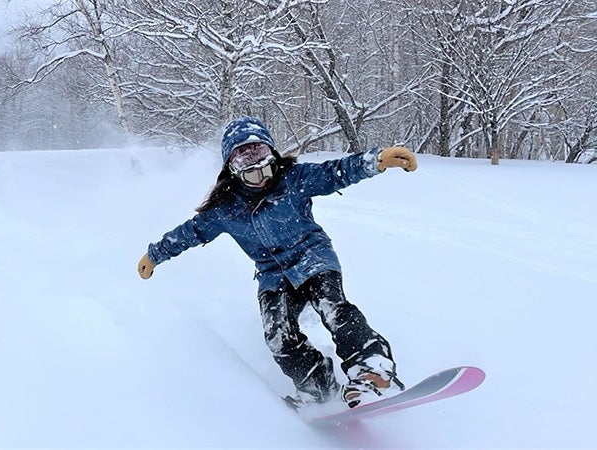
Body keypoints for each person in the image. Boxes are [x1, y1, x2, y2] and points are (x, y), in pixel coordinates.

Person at [136, 116, 418, 408]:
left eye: (263, 162)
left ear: (273, 155)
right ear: (232, 170)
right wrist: (155, 254)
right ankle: (317, 385)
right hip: (273, 275)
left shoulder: (294, 178)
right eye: (248, 168)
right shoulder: (226, 209)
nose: (260, 176)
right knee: (278, 337)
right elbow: (191, 232)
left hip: (313, 257)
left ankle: (372, 371)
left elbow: (335, 172)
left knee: (333, 309)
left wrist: (377, 161)